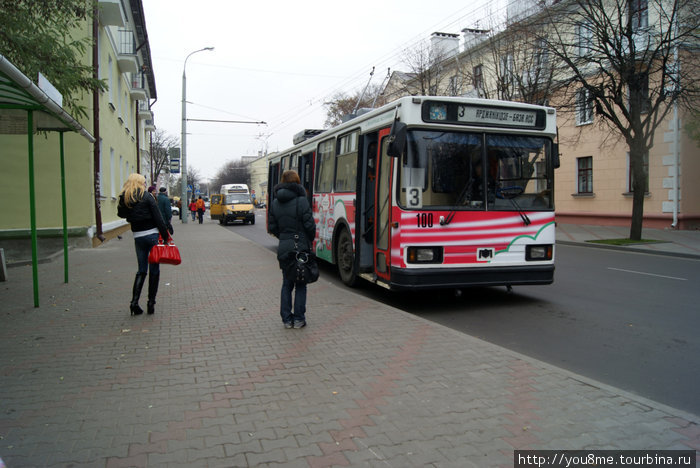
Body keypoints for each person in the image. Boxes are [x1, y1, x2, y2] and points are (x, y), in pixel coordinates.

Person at [117, 173, 171, 316]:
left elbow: (120, 214)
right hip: (152, 236)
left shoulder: (126, 198)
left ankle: (134, 303)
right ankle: (151, 303)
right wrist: (165, 236)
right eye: (144, 182)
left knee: (141, 270)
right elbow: (158, 217)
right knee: (154, 270)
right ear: (140, 183)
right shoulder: (147, 197)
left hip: (138, 237)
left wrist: (130, 212)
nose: (145, 184)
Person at [268, 170, 316, 329]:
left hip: (284, 247)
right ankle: (299, 319)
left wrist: (283, 237)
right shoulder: (302, 201)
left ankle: (287, 320)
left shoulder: (275, 202)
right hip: (300, 247)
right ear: (297, 182)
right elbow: (310, 226)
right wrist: (308, 238)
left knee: (286, 283)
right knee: (301, 283)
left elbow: (272, 227)